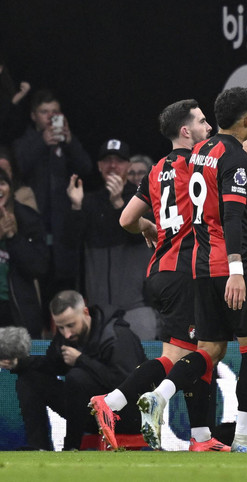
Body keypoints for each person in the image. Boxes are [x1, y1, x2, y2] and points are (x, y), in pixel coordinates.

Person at [136, 84, 247, 453]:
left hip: (200, 267)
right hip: (235, 264)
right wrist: (237, 269)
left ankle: (161, 394)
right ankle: (246, 438)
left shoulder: (200, 152)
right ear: (244, 120)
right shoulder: (235, 161)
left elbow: (245, 145)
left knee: (209, 349)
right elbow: (233, 216)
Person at [86, 99, 232, 451]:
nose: (208, 128)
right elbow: (244, 151)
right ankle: (116, 402)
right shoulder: (197, 161)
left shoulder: (155, 170)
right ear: (186, 131)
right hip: (187, 269)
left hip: (160, 271)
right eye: (201, 122)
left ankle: (201, 437)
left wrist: (149, 225)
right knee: (208, 350)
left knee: (185, 354)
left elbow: (125, 220)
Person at [0, 290, 146, 450]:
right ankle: (39, 448)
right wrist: (19, 363)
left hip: (127, 416)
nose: (67, 334)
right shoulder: (67, 336)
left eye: (71, 325)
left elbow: (127, 384)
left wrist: (81, 360)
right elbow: (50, 365)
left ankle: (71, 448)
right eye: (60, 328)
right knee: (30, 378)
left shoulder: (117, 335)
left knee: (77, 377)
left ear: (85, 312)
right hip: (91, 413)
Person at [65, 139, 157, 340]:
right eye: (107, 161)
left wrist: (119, 204)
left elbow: (142, 239)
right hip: (98, 311)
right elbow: (71, 245)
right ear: (99, 166)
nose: (113, 166)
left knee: (143, 365)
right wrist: (76, 207)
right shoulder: (88, 201)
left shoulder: (143, 198)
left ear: (128, 166)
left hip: (137, 307)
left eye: (119, 161)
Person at [13, 89, 93, 321]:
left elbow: (87, 168)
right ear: (33, 115)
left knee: (63, 296)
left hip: (62, 236)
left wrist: (69, 141)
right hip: (31, 234)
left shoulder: (66, 144)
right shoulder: (24, 142)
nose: (50, 117)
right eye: (44, 112)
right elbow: (16, 169)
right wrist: (41, 142)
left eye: (55, 112)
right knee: (35, 298)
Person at [0, 167, 48, 337]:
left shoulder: (28, 218)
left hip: (20, 313)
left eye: (2, 183)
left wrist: (14, 237)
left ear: (10, 187)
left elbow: (39, 267)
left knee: (26, 360)